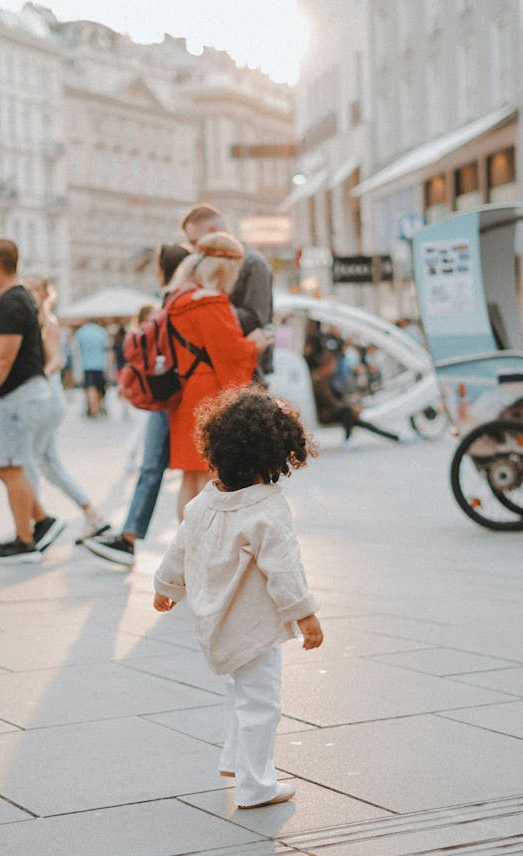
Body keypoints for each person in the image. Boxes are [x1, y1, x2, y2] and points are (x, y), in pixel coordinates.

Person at [153, 387, 323, 809]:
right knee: (261, 704)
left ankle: (235, 759)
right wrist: (306, 617)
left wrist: (165, 588)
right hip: (254, 628)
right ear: (276, 456)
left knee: (239, 694)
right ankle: (256, 785)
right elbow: (285, 571)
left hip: (215, 623)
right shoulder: (268, 509)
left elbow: (179, 550)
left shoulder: (203, 503)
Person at [84, 243, 192, 567]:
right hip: (177, 388)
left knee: (161, 466)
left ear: (163, 269)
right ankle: (132, 538)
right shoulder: (178, 298)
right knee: (160, 467)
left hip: (172, 391)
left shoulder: (173, 300)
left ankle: (133, 540)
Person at [0, 239, 64, 563]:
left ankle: (26, 541)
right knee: (4, 463)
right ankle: (39, 521)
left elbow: (4, 358)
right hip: (23, 395)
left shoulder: (12, 301)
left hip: (17, 396)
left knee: (9, 465)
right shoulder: (18, 299)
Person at [161, 232, 264, 515]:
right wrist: (255, 343)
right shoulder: (211, 303)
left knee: (189, 478)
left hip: (186, 392)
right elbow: (229, 355)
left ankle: (187, 542)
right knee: (213, 476)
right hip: (210, 395)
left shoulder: (177, 300)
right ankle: (206, 545)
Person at [23, 274, 107, 537]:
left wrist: (37, 378)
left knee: (31, 462)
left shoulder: (47, 321)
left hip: (46, 396)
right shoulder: (35, 321)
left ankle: (34, 525)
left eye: (35, 289)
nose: (30, 294)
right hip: (47, 396)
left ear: (47, 294)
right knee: (50, 465)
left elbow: (57, 360)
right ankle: (92, 514)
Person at [181, 204, 274, 375]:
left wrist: (212, 310)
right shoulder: (201, 265)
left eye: (195, 242)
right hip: (219, 365)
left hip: (248, 368)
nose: (194, 250)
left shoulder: (252, 263)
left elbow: (256, 318)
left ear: (213, 230)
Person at [73, 319, 109, 418]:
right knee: (100, 388)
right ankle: (96, 407)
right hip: (100, 365)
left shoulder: (81, 332)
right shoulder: (101, 331)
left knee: (90, 387)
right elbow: (106, 349)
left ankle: (93, 409)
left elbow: (75, 350)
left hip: (86, 365)